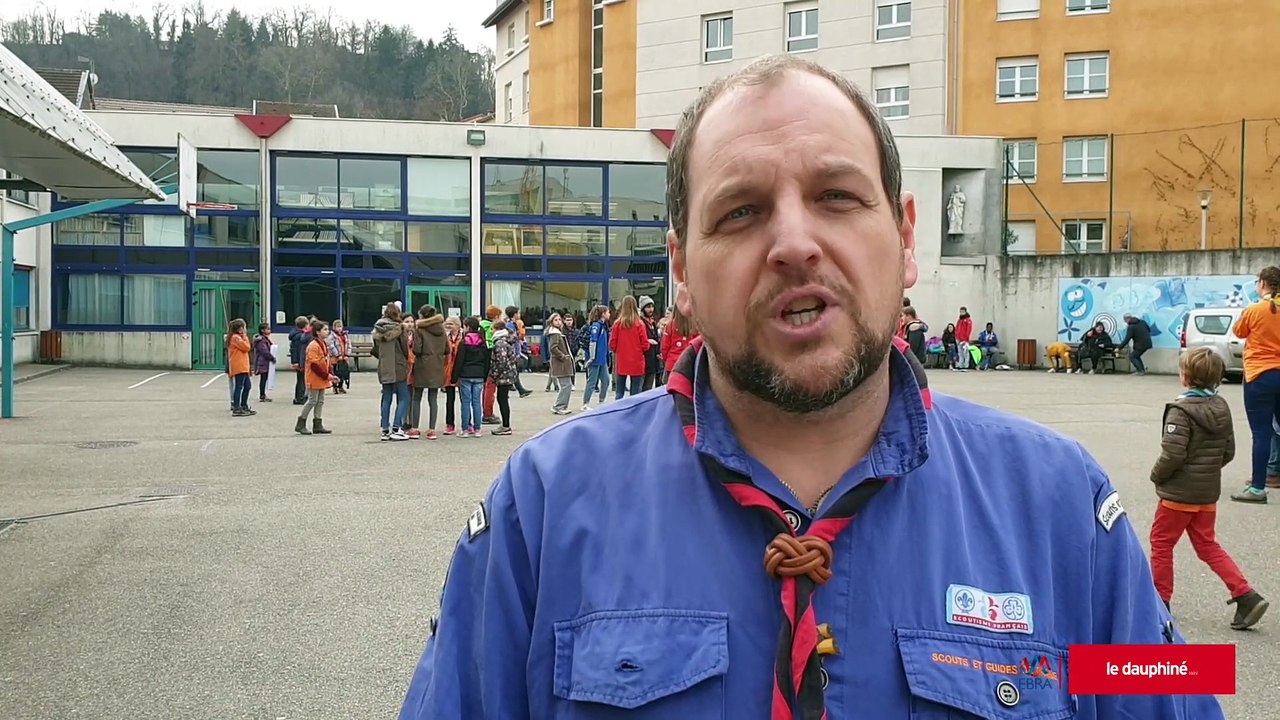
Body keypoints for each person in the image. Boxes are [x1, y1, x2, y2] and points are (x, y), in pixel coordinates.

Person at [399, 54, 1220, 719]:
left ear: (903, 238)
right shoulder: (538, 507)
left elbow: (1175, 688)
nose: (795, 242)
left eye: (835, 196)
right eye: (741, 212)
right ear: (681, 271)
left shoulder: (1067, 506)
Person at [1148, 347, 1266, 627]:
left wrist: (1157, 476)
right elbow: (1229, 452)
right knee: (1207, 546)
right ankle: (1245, 595)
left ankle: (1159, 603)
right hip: (1206, 494)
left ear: (1185, 377)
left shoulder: (1180, 411)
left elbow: (1173, 455)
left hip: (1178, 494)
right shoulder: (1221, 407)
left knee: (1161, 545)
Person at [1230, 266, 1280, 503]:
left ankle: (1258, 487)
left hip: (1259, 374)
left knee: (1261, 433)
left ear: (1262, 283)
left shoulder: (1255, 309)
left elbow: (1238, 331)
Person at [372, 304, 411, 441]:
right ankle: (396, 427)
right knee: (404, 397)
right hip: (398, 365)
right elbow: (405, 350)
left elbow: (375, 349)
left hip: (384, 366)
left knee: (386, 398)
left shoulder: (377, 330)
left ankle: (385, 429)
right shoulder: (399, 329)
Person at [409, 306, 448, 440]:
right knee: (433, 398)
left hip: (422, 365)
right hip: (437, 365)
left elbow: (417, 349)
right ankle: (432, 429)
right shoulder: (442, 330)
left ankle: (414, 428)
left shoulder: (419, 330)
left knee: (416, 397)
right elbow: (447, 349)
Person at [452, 316, 490, 438]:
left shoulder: (464, 342)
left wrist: (454, 377)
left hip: (466, 375)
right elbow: (486, 361)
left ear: (467, 327)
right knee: (477, 402)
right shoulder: (482, 341)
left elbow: (459, 361)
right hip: (479, 375)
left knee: (466, 403)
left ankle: (465, 430)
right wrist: (485, 375)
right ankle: (478, 429)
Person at [295, 319, 333, 435]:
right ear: (317, 332)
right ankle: (301, 423)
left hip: (322, 377)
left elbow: (326, 361)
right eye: (325, 330)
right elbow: (314, 365)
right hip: (314, 377)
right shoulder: (313, 346)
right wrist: (327, 375)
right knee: (312, 400)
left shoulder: (323, 344)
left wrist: (330, 373)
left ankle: (318, 424)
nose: (327, 332)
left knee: (320, 401)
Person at [609, 295, 648, 399]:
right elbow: (645, 344)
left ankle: (618, 411)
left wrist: (618, 350)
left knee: (619, 391)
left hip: (621, 361)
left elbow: (612, 343)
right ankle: (633, 412)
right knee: (635, 392)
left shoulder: (617, 324)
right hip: (636, 361)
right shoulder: (640, 324)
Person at [489, 324, 519, 435]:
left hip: (503, 376)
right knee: (503, 399)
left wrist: (494, 374)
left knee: (502, 400)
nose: (491, 331)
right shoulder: (506, 341)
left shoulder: (500, 343)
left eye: (492, 329)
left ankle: (506, 425)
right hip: (508, 374)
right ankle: (505, 424)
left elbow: (501, 361)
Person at [545, 313, 576, 415]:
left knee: (566, 385)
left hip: (562, 362)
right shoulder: (555, 333)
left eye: (559, 319)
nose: (558, 321)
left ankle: (560, 406)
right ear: (551, 322)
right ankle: (559, 406)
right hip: (560, 363)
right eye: (555, 320)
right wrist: (562, 356)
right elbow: (553, 348)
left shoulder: (558, 332)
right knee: (566, 385)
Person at [226, 319, 254, 416]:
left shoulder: (238, 337)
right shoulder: (236, 338)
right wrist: (245, 336)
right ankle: (237, 407)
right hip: (239, 366)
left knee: (247, 386)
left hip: (244, 366)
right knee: (239, 386)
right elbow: (246, 347)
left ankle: (244, 405)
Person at [251, 323, 276, 403]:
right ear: (262, 330)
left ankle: (263, 395)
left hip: (264, 362)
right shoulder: (261, 340)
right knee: (263, 379)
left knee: (264, 379)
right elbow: (264, 351)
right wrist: (272, 358)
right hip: (262, 362)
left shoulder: (265, 339)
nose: (269, 330)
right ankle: (262, 395)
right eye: (267, 329)